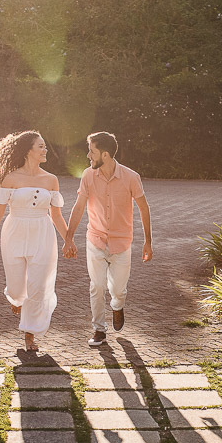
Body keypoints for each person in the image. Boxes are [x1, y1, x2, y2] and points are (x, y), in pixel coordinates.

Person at [0, 131, 72, 352]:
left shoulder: (51, 180)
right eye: (41, 146)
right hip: (15, 232)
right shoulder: (11, 178)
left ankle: (30, 334)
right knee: (18, 289)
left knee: (37, 286)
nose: (45, 150)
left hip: (43, 233)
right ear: (29, 150)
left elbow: (56, 215)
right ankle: (16, 299)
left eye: (44, 146)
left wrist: (68, 240)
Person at [63, 131, 152, 347]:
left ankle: (117, 305)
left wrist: (148, 241)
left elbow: (143, 208)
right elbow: (78, 207)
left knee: (118, 289)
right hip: (96, 239)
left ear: (105, 154)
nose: (88, 156)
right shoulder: (87, 176)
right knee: (97, 286)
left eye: (92, 152)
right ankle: (99, 330)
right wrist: (68, 238)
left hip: (122, 242)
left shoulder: (131, 177)